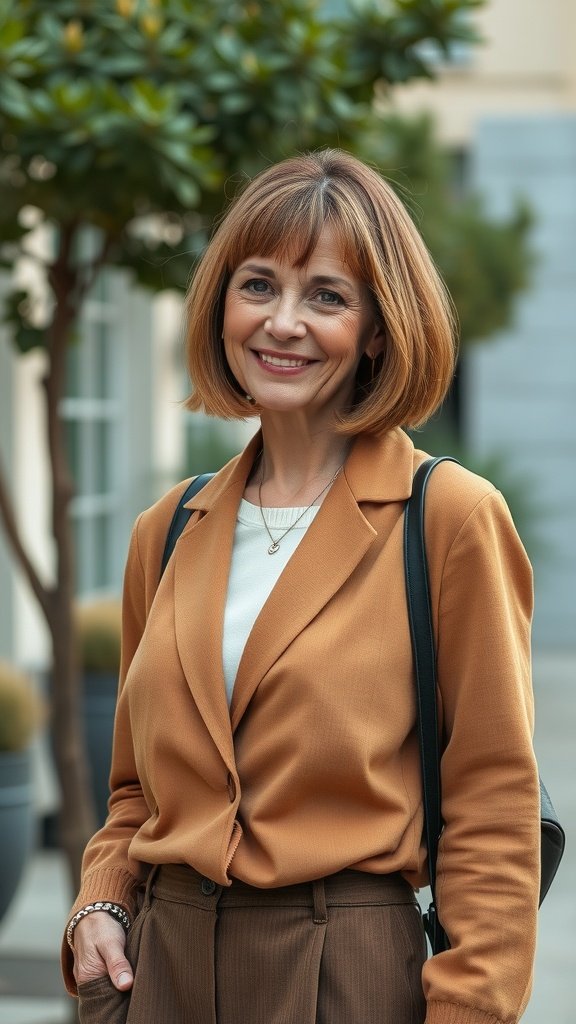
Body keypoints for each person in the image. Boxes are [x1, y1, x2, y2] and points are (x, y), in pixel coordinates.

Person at [62, 149, 540, 1024]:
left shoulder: (449, 519)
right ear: (220, 305)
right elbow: (134, 789)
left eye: (326, 295)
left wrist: (471, 1009)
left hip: (344, 971)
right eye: (258, 285)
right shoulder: (164, 531)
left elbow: (493, 805)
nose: (282, 323)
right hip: (158, 970)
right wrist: (102, 900)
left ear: (379, 329)